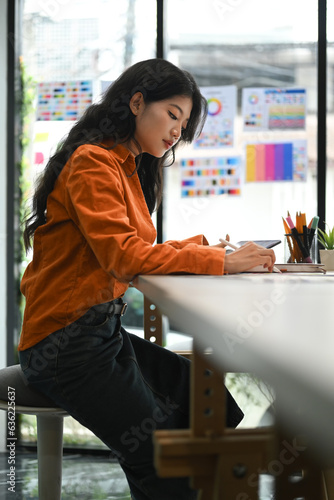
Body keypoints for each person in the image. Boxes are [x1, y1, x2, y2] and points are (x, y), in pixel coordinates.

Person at [18, 58, 276, 500]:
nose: (178, 131)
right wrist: (221, 262)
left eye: (185, 122)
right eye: (173, 114)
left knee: (206, 403)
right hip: (65, 345)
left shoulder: (124, 165)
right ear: (137, 102)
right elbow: (125, 258)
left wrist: (215, 252)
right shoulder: (93, 164)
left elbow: (136, 248)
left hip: (100, 334)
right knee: (161, 458)